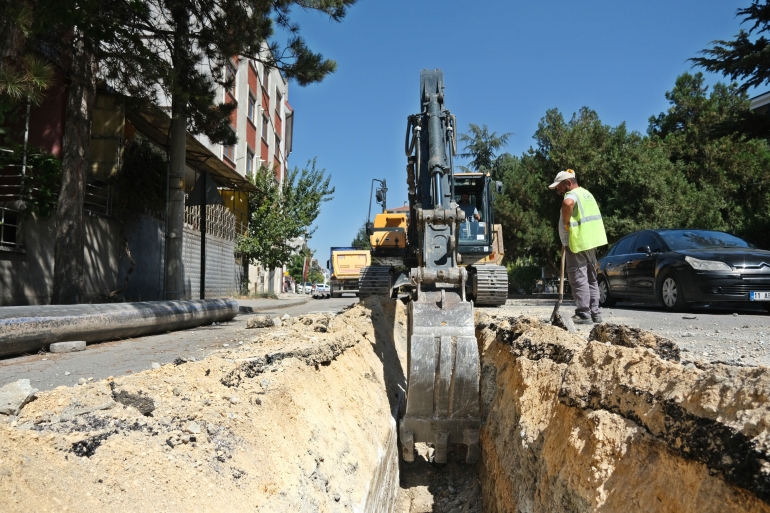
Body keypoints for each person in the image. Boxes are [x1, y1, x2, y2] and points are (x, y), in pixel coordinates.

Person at [548, 169, 608, 324]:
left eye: (559, 187)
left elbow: (568, 204)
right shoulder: (587, 194)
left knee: (578, 278)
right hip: (590, 242)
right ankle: (595, 313)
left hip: (578, 242)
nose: (558, 191)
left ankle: (583, 314)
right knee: (591, 278)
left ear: (568, 183)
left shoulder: (572, 195)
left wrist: (567, 224)